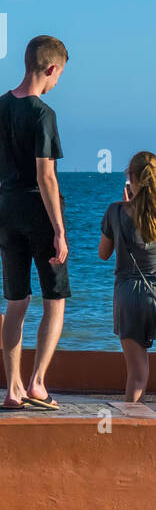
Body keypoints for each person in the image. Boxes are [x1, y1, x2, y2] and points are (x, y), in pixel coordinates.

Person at [0, 35, 70, 412]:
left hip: (8, 213)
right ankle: (37, 383)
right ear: (51, 68)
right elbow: (46, 177)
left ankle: (12, 389)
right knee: (55, 301)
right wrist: (60, 231)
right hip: (40, 214)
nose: (56, 82)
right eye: (58, 75)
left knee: (15, 302)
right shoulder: (42, 114)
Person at [99, 151, 156, 401]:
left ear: (130, 177)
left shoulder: (115, 211)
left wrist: (122, 212)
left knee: (136, 374)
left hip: (128, 296)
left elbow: (103, 253)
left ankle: (130, 428)